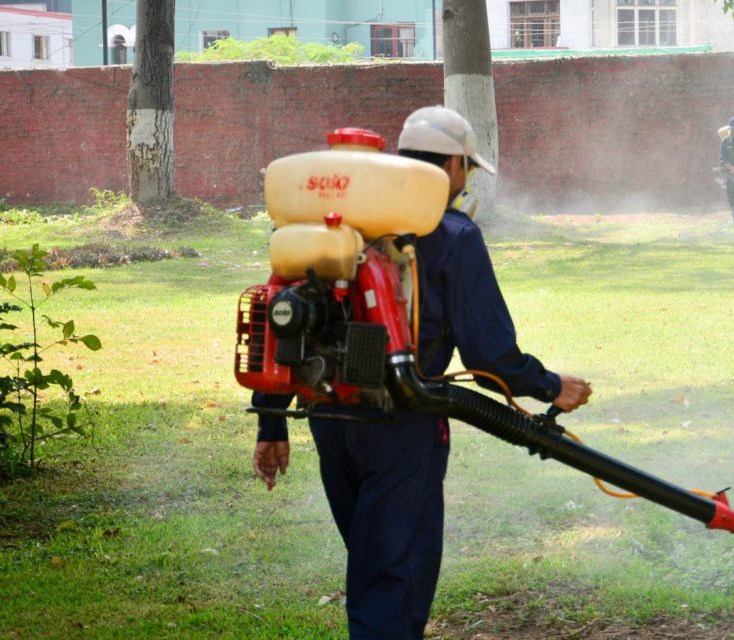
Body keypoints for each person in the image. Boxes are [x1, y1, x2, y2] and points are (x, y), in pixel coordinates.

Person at [250, 106, 593, 639]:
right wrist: (551, 387)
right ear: (454, 165)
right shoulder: (454, 237)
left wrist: (271, 425)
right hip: (403, 423)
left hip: (327, 416)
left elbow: (285, 319)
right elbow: (488, 359)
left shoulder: (327, 224)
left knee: (372, 561)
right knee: (392, 578)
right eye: (469, 171)